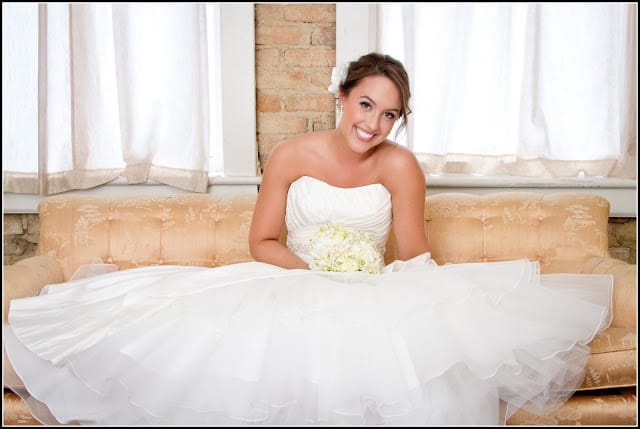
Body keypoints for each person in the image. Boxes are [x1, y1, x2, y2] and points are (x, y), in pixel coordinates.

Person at [3, 52, 613, 426]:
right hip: (288, 280)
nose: (372, 125)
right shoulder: (293, 153)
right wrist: (316, 271)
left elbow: (415, 251)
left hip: (368, 291)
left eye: (389, 115)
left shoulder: (400, 167)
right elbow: (262, 240)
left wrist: (423, 298)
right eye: (365, 105)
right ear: (342, 96)